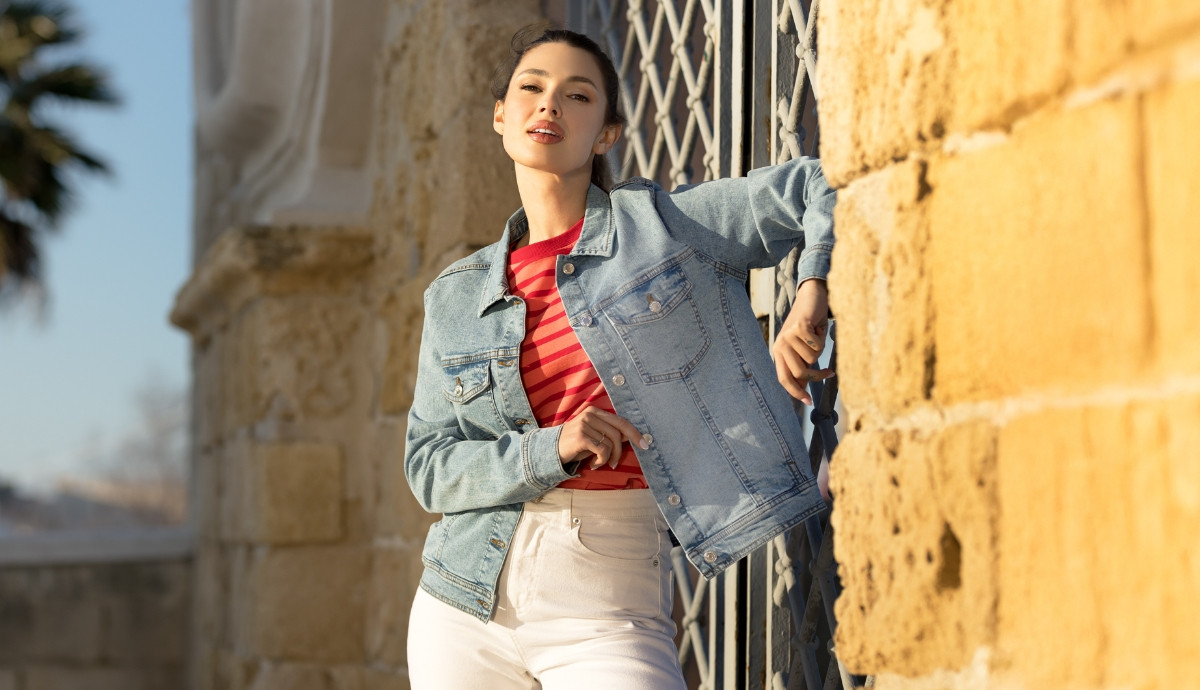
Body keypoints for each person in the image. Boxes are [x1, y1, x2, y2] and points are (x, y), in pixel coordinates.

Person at [404, 26, 835, 689]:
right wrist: (551, 448)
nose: (550, 104)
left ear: (605, 133)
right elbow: (429, 466)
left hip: (606, 600)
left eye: (577, 95)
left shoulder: (662, 227)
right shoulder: (457, 296)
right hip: (463, 601)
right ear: (500, 115)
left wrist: (812, 291)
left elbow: (818, 185)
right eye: (531, 87)